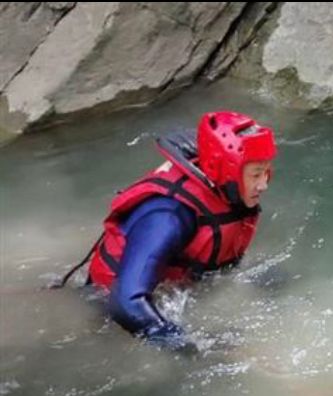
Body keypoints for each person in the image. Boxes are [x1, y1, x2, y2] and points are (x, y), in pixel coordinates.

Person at [55, 111, 277, 352]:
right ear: (225, 169)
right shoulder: (167, 218)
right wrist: (191, 348)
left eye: (266, 172)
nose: (264, 184)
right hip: (109, 308)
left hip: (181, 284)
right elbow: (125, 303)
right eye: (255, 174)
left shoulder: (223, 188)